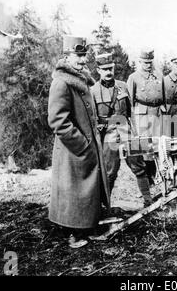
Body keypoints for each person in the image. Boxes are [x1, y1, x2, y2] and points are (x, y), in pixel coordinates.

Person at [47, 36, 110, 248]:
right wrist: (82, 145)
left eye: (84, 56)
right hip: (72, 150)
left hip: (86, 146)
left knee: (85, 189)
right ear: (66, 56)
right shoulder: (61, 83)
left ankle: (86, 225)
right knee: (72, 191)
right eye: (78, 56)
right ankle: (72, 232)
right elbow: (57, 121)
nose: (83, 60)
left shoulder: (81, 78)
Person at [91, 53, 152, 207]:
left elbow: (130, 112)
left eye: (110, 68)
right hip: (108, 133)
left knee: (139, 166)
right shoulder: (93, 91)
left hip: (126, 130)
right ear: (98, 70)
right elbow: (93, 118)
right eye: (104, 69)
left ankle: (148, 200)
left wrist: (136, 134)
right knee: (109, 172)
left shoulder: (123, 86)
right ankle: (105, 205)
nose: (108, 72)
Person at [127, 48, 166, 185]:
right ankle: (145, 178)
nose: (148, 65)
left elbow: (164, 96)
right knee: (143, 146)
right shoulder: (134, 77)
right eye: (145, 62)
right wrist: (131, 120)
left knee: (156, 145)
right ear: (140, 62)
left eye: (150, 62)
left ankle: (156, 175)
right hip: (141, 114)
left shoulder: (159, 76)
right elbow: (129, 101)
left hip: (156, 113)